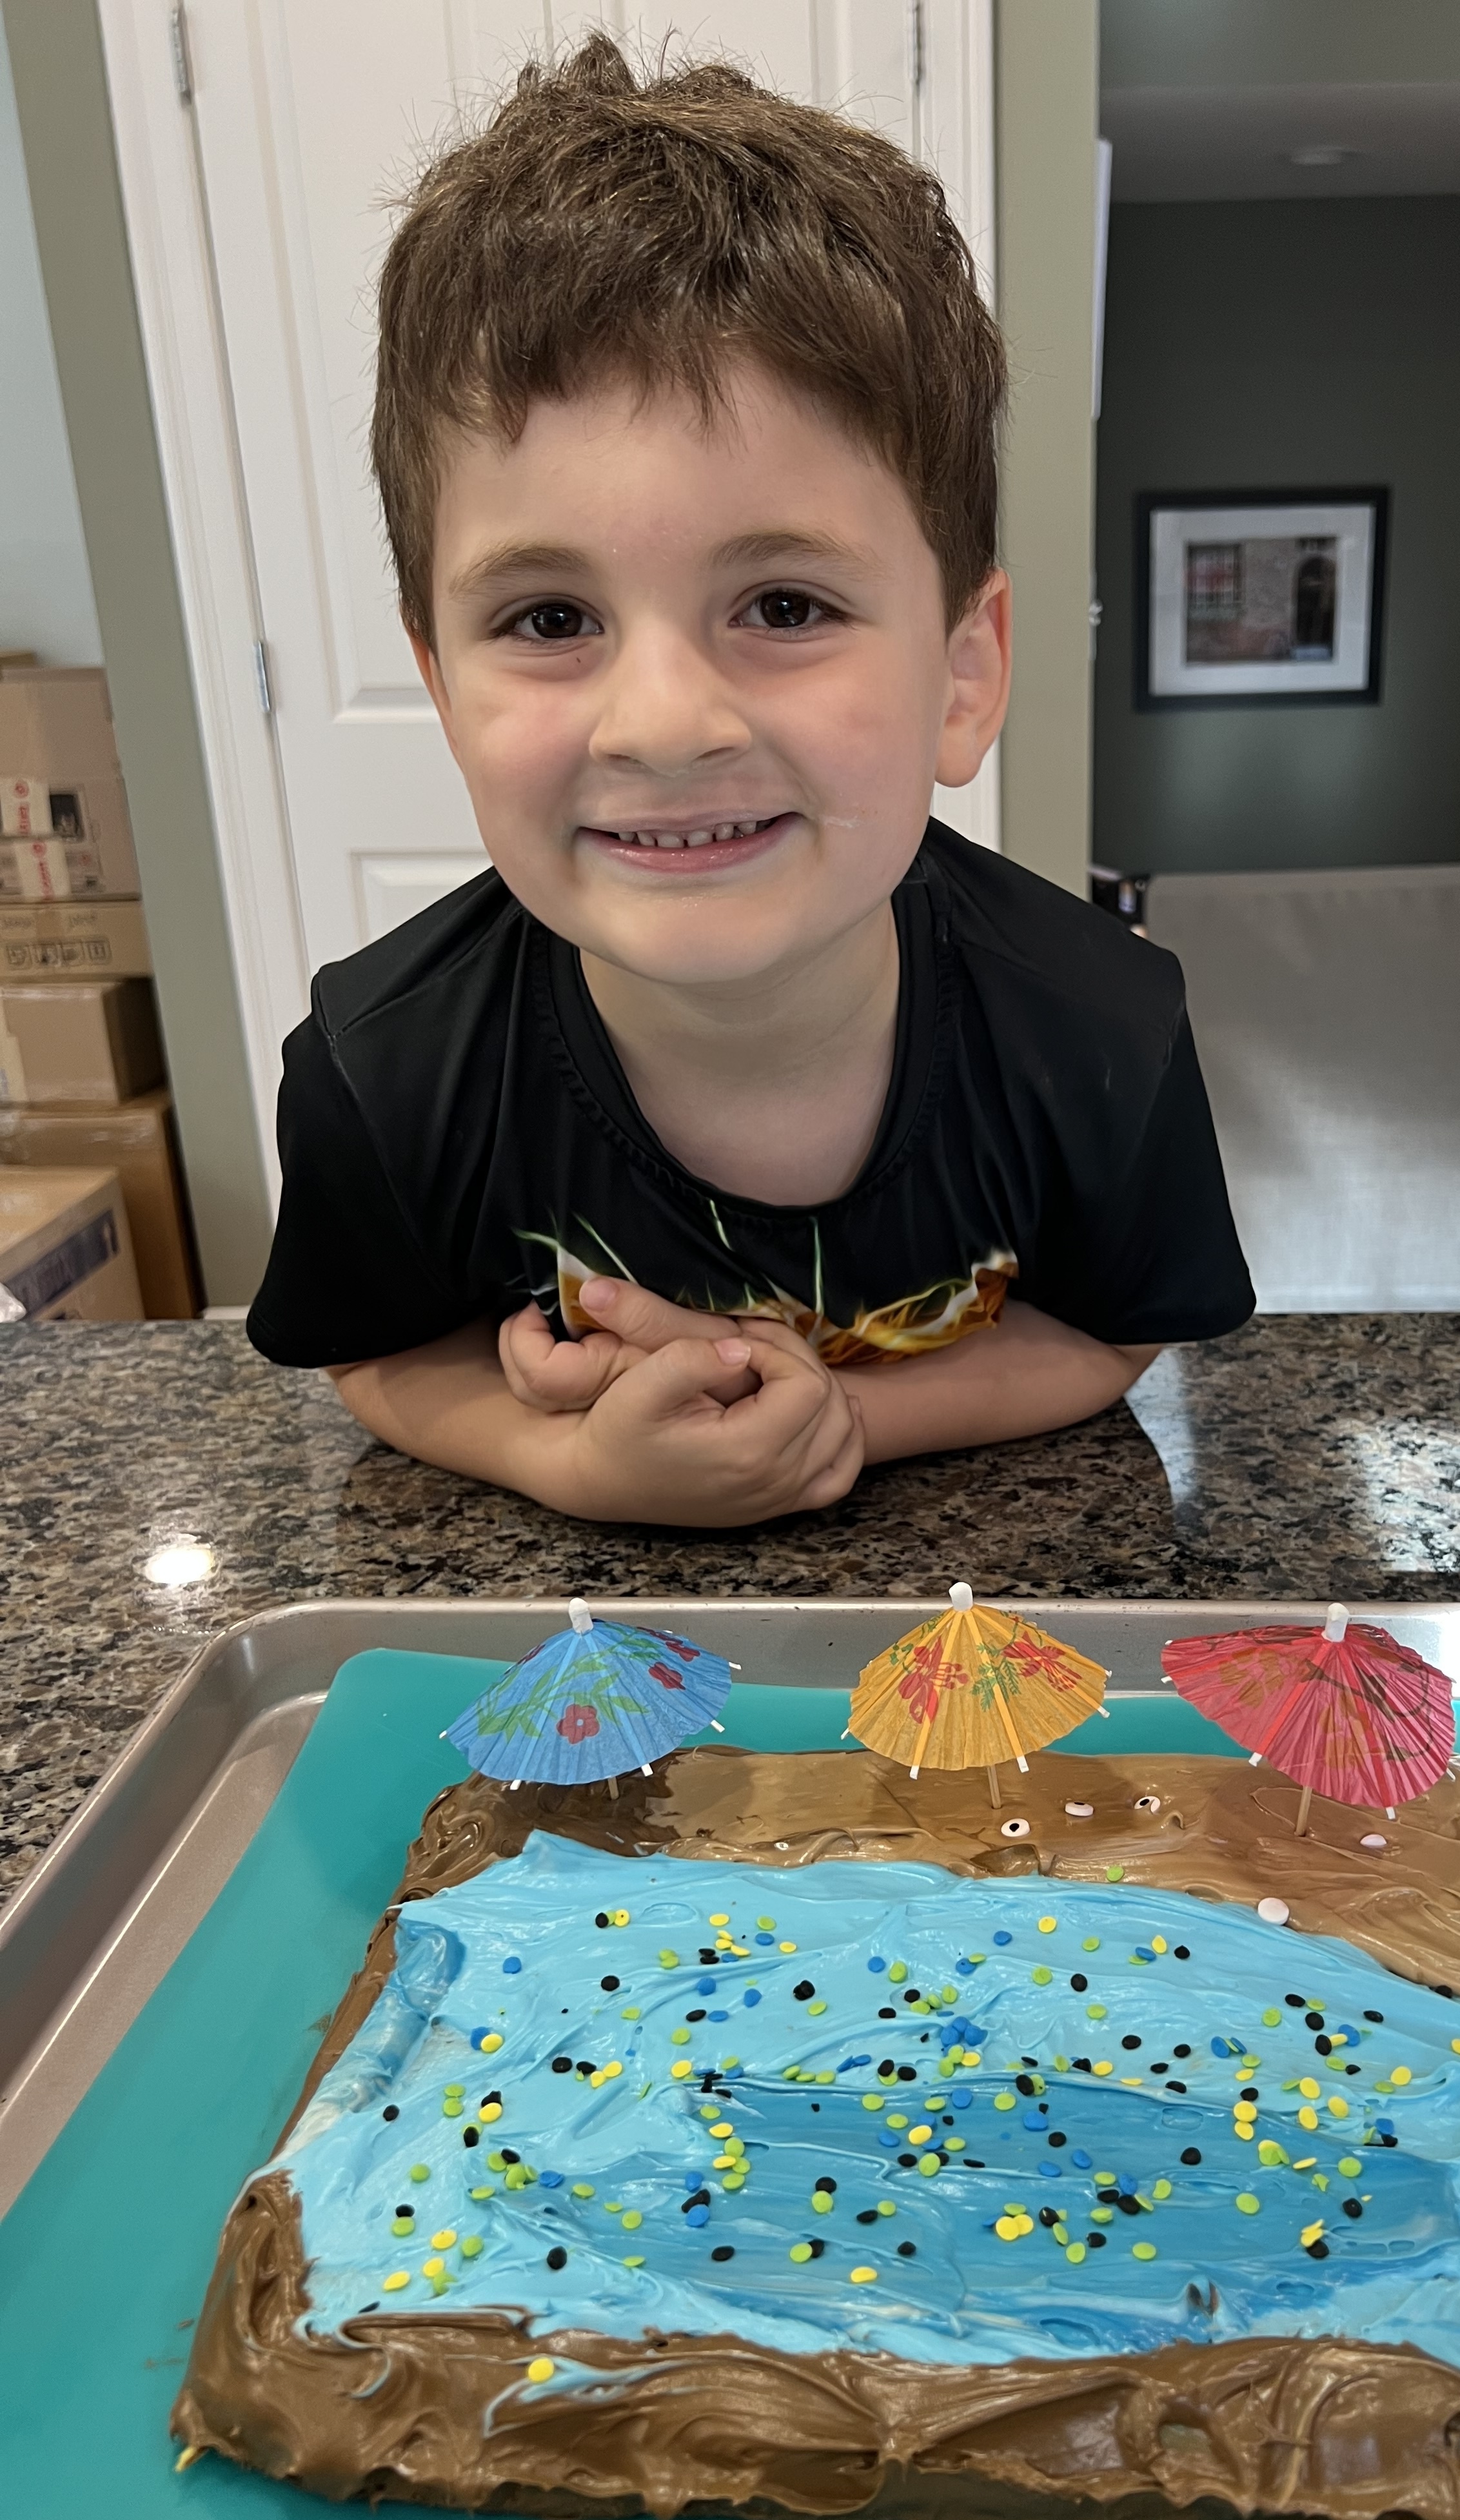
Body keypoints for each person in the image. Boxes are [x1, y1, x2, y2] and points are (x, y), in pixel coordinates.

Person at [246, 37, 1252, 1528]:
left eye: (785, 605)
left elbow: (1111, 1331)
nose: (662, 724)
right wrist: (565, 1459)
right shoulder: (380, 1071)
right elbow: (381, 1352)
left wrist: (836, 1419)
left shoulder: (1106, 1032)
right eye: (549, 619)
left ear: (963, 677)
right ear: (444, 690)